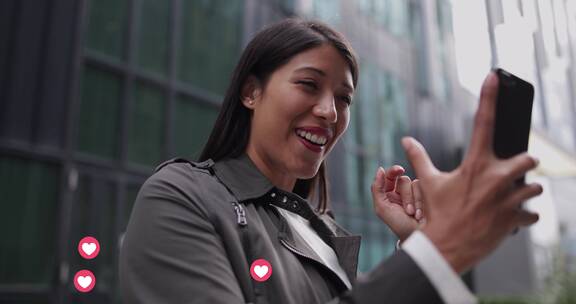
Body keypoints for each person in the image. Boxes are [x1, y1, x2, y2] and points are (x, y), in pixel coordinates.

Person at [119, 18, 542, 304]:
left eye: (344, 98)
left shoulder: (322, 232)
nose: (330, 112)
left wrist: (418, 241)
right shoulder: (180, 197)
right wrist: (438, 252)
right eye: (309, 84)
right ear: (251, 92)